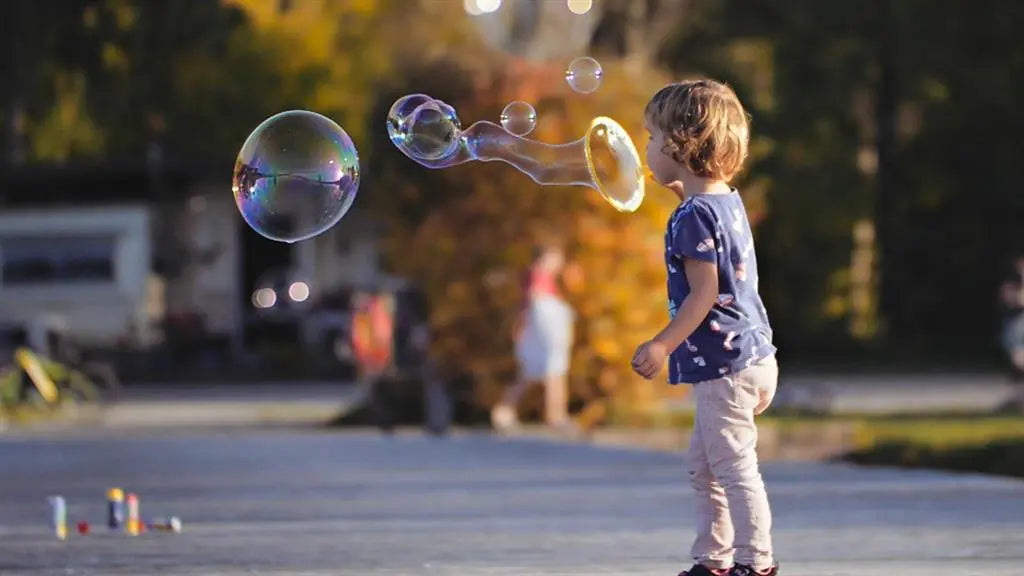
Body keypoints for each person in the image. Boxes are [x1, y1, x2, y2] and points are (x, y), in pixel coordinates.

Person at [630, 79, 779, 576]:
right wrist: (680, 188)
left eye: (651, 137)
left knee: (733, 469)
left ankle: (754, 564)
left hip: (726, 367)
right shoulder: (723, 201)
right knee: (705, 467)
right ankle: (713, 560)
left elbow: (704, 293)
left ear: (680, 145)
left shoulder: (691, 217)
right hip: (753, 356)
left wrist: (662, 345)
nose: (646, 148)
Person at [491, 242, 575, 431]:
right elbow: (537, 306)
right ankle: (556, 416)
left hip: (538, 335)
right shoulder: (538, 278)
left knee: (533, 375)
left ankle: (504, 412)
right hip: (542, 336)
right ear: (545, 257)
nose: (559, 263)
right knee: (553, 373)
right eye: (556, 258)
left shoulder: (541, 279)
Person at [999, 254, 1024, 402]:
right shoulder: (1010, 286)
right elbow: (1014, 301)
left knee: (1019, 361)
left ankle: (1017, 395)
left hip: (1018, 327)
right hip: (1015, 328)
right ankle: (1017, 395)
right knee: (1017, 360)